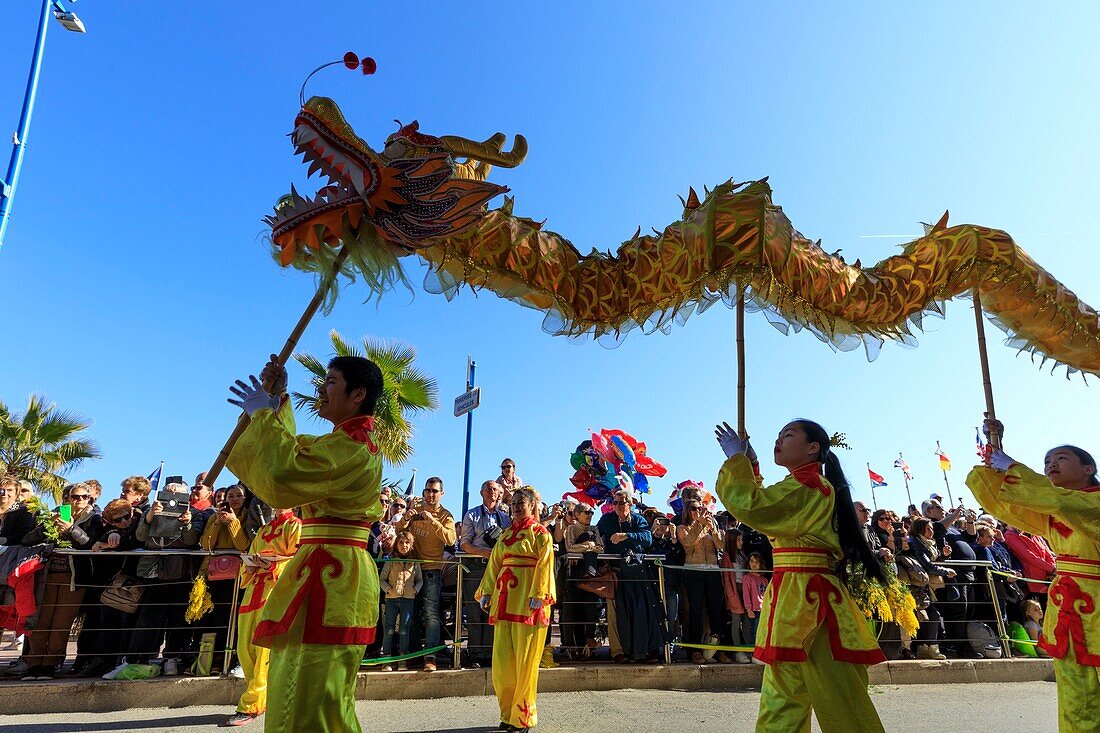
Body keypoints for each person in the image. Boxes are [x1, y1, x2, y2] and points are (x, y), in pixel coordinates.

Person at [226, 354, 384, 733]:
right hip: (318, 570)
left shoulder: (356, 445)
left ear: (358, 393)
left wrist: (265, 414)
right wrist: (277, 398)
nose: (321, 388)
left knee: (319, 701)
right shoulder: (339, 442)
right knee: (292, 688)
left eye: (331, 381)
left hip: (336, 576)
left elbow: (285, 471)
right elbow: (293, 450)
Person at [714, 420, 886, 733]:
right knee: (782, 700)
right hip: (793, 596)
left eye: (788, 435)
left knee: (840, 700)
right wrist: (751, 464)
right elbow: (765, 504)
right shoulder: (802, 486)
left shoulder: (811, 486)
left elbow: (756, 506)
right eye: (777, 435)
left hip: (813, 601)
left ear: (813, 448)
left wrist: (738, 462)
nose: (778, 440)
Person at [967, 419, 1100, 733]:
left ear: (1088, 468)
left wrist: (1014, 467)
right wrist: (997, 455)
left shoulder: (1089, 501)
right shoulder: (1052, 509)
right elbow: (1007, 500)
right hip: (1068, 612)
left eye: (1061, 459)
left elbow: (1061, 500)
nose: (1051, 465)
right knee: (1075, 700)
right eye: (1046, 462)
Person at [476, 486, 555, 733]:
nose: (518, 506)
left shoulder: (541, 534)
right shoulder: (506, 534)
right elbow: (494, 565)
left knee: (525, 662)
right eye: (514, 503)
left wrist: (538, 595)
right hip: (504, 601)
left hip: (528, 604)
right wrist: (486, 591)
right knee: (502, 663)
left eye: (522, 502)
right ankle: (507, 713)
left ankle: (523, 717)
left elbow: (545, 566)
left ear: (532, 505)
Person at [226, 506, 301, 727]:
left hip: (275, 592)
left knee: (263, 650)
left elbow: (298, 559)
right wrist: (250, 566)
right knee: (244, 647)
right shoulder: (264, 528)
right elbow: (249, 557)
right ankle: (260, 697)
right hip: (254, 592)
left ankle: (251, 703)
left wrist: (274, 564)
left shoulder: (296, 525)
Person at [597, 488, 664, 663]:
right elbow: (596, 534)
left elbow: (647, 538)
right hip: (616, 573)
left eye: (621, 503)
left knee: (641, 612)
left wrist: (625, 536)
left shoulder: (638, 519)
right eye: (615, 503)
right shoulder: (606, 519)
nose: (618, 506)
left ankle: (643, 651)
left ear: (630, 504)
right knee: (617, 615)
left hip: (637, 573)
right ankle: (619, 652)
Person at [396, 477, 456, 672]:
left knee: (431, 614)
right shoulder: (415, 511)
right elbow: (399, 533)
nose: (431, 494)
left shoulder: (445, 515)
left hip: (432, 570)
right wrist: (406, 518)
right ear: (423, 492)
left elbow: (451, 538)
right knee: (409, 613)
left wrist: (433, 521)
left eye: (435, 491)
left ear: (441, 494)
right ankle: (412, 655)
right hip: (411, 568)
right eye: (428, 490)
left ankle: (431, 657)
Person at [198, 483, 252, 674]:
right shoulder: (214, 517)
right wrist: (218, 523)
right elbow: (206, 544)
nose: (234, 499)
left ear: (244, 498)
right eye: (231, 496)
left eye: (238, 496)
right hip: (216, 575)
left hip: (239, 576)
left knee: (237, 618)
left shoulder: (248, 517)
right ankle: (216, 660)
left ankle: (236, 660)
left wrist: (233, 522)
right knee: (217, 617)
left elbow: (243, 545)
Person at [458, 480, 510, 667]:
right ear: (482, 493)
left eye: (495, 489)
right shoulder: (471, 514)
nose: (492, 492)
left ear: (500, 493)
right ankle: (475, 653)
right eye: (488, 489)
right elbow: (464, 544)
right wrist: (483, 552)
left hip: (497, 568)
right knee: (474, 611)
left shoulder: (505, 517)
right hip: (476, 567)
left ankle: (490, 652)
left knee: (492, 610)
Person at [677, 498, 731, 664]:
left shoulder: (711, 525)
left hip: (713, 570)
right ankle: (695, 651)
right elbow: (687, 543)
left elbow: (722, 545)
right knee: (696, 612)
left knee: (716, 610)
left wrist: (713, 529)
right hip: (694, 571)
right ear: (687, 510)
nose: (698, 512)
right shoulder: (682, 527)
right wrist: (699, 525)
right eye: (694, 508)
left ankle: (717, 650)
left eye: (701, 509)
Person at [902, 517, 955, 659]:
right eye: (928, 529)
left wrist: (944, 556)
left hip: (926, 586)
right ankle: (931, 647)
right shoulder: (915, 542)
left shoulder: (929, 543)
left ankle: (923, 647)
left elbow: (934, 561)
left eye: (932, 528)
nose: (931, 531)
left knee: (928, 616)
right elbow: (927, 565)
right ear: (920, 529)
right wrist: (945, 572)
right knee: (932, 615)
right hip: (916, 585)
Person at [378, 531, 423, 671]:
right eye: (401, 543)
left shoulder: (414, 563)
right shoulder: (390, 561)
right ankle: (386, 659)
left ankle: (402, 660)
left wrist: (415, 590)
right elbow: (382, 579)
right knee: (389, 629)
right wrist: (388, 590)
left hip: (408, 600)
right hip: (391, 599)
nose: (404, 545)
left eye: (407, 543)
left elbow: (420, 579)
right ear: (396, 544)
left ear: (411, 545)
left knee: (404, 630)